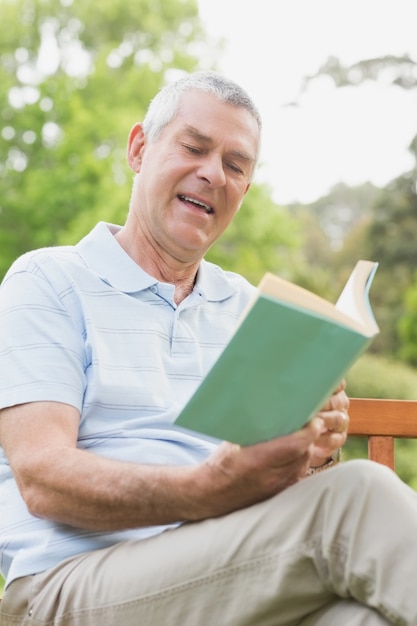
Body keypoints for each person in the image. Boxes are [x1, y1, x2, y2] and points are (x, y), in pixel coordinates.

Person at [0, 71, 416, 626]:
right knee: (362, 492)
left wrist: (311, 450)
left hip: (223, 572)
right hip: (69, 583)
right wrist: (207, 488)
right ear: (140, 149)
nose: (212, 174)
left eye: (236, 166)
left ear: (245, 189)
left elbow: (272, 491)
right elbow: (41, 478)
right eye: (194, 147)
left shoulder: (250, 307)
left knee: (359, 619)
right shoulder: (47, 281)